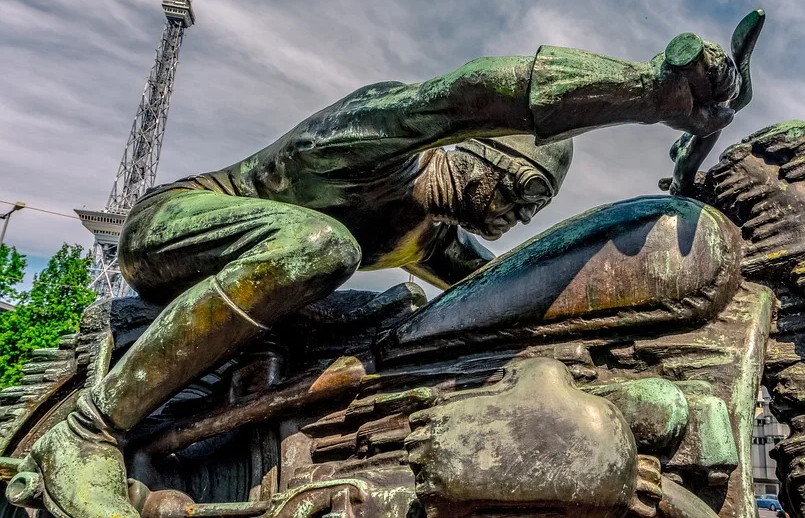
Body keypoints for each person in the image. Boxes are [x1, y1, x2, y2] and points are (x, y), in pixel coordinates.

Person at [26, 38, 740, 518]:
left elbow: (512, 294)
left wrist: (681, 201)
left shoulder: (423, 236)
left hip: (267, 272)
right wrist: (647, 93)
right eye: (519, 191)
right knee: (322, 246)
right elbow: (467, 92)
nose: (517, 215)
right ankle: (91, 427)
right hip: (171, 228)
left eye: (533, 207)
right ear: (473, 155)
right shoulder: (379, 141)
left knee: (386, 303)